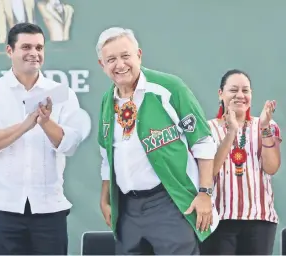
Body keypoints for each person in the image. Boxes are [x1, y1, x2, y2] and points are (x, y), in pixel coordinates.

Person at [96, 27, 218, 255]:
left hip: (168, 203)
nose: (120, 65)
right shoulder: (107, 101)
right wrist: (105, 199)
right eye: (111, 59)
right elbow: (106, 156)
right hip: (127, 210)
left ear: (139, 55)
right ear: (102, 65)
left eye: (125, 56)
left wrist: (205, 193)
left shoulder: (170, 88)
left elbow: (203, 142)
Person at [0, 22, 88, 255]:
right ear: (9, 51)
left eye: (39, 48)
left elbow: (70, 143)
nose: (34, 54)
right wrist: (26, 124)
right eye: (26, 47)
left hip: (48, 209)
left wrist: (45, 123)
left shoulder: (61, 93)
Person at [199, 69, 281, 255]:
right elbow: (207, 172)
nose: (240, 96)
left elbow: (272, 167)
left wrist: (265, 128)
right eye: (233, 90)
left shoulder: (265, 125)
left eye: (246, 91)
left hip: (259, 219)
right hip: (218, 218)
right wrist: (231, 133)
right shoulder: (207, 129)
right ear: (221, 94)